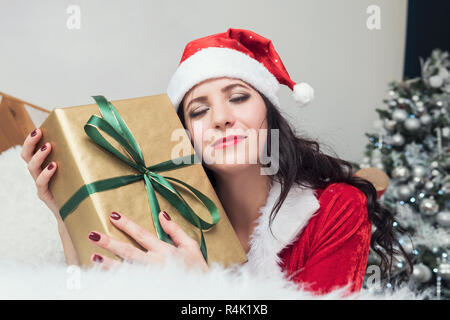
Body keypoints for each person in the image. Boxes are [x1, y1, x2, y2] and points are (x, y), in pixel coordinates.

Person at [21, 28, 411, 295]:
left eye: (238, 97)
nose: (221, 118)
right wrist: (63, 211)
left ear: (270, 116)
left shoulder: (336, 209)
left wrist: (199, 289)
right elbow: (91, 290)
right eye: (198, 110)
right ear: (185, 136)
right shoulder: (167, 213)